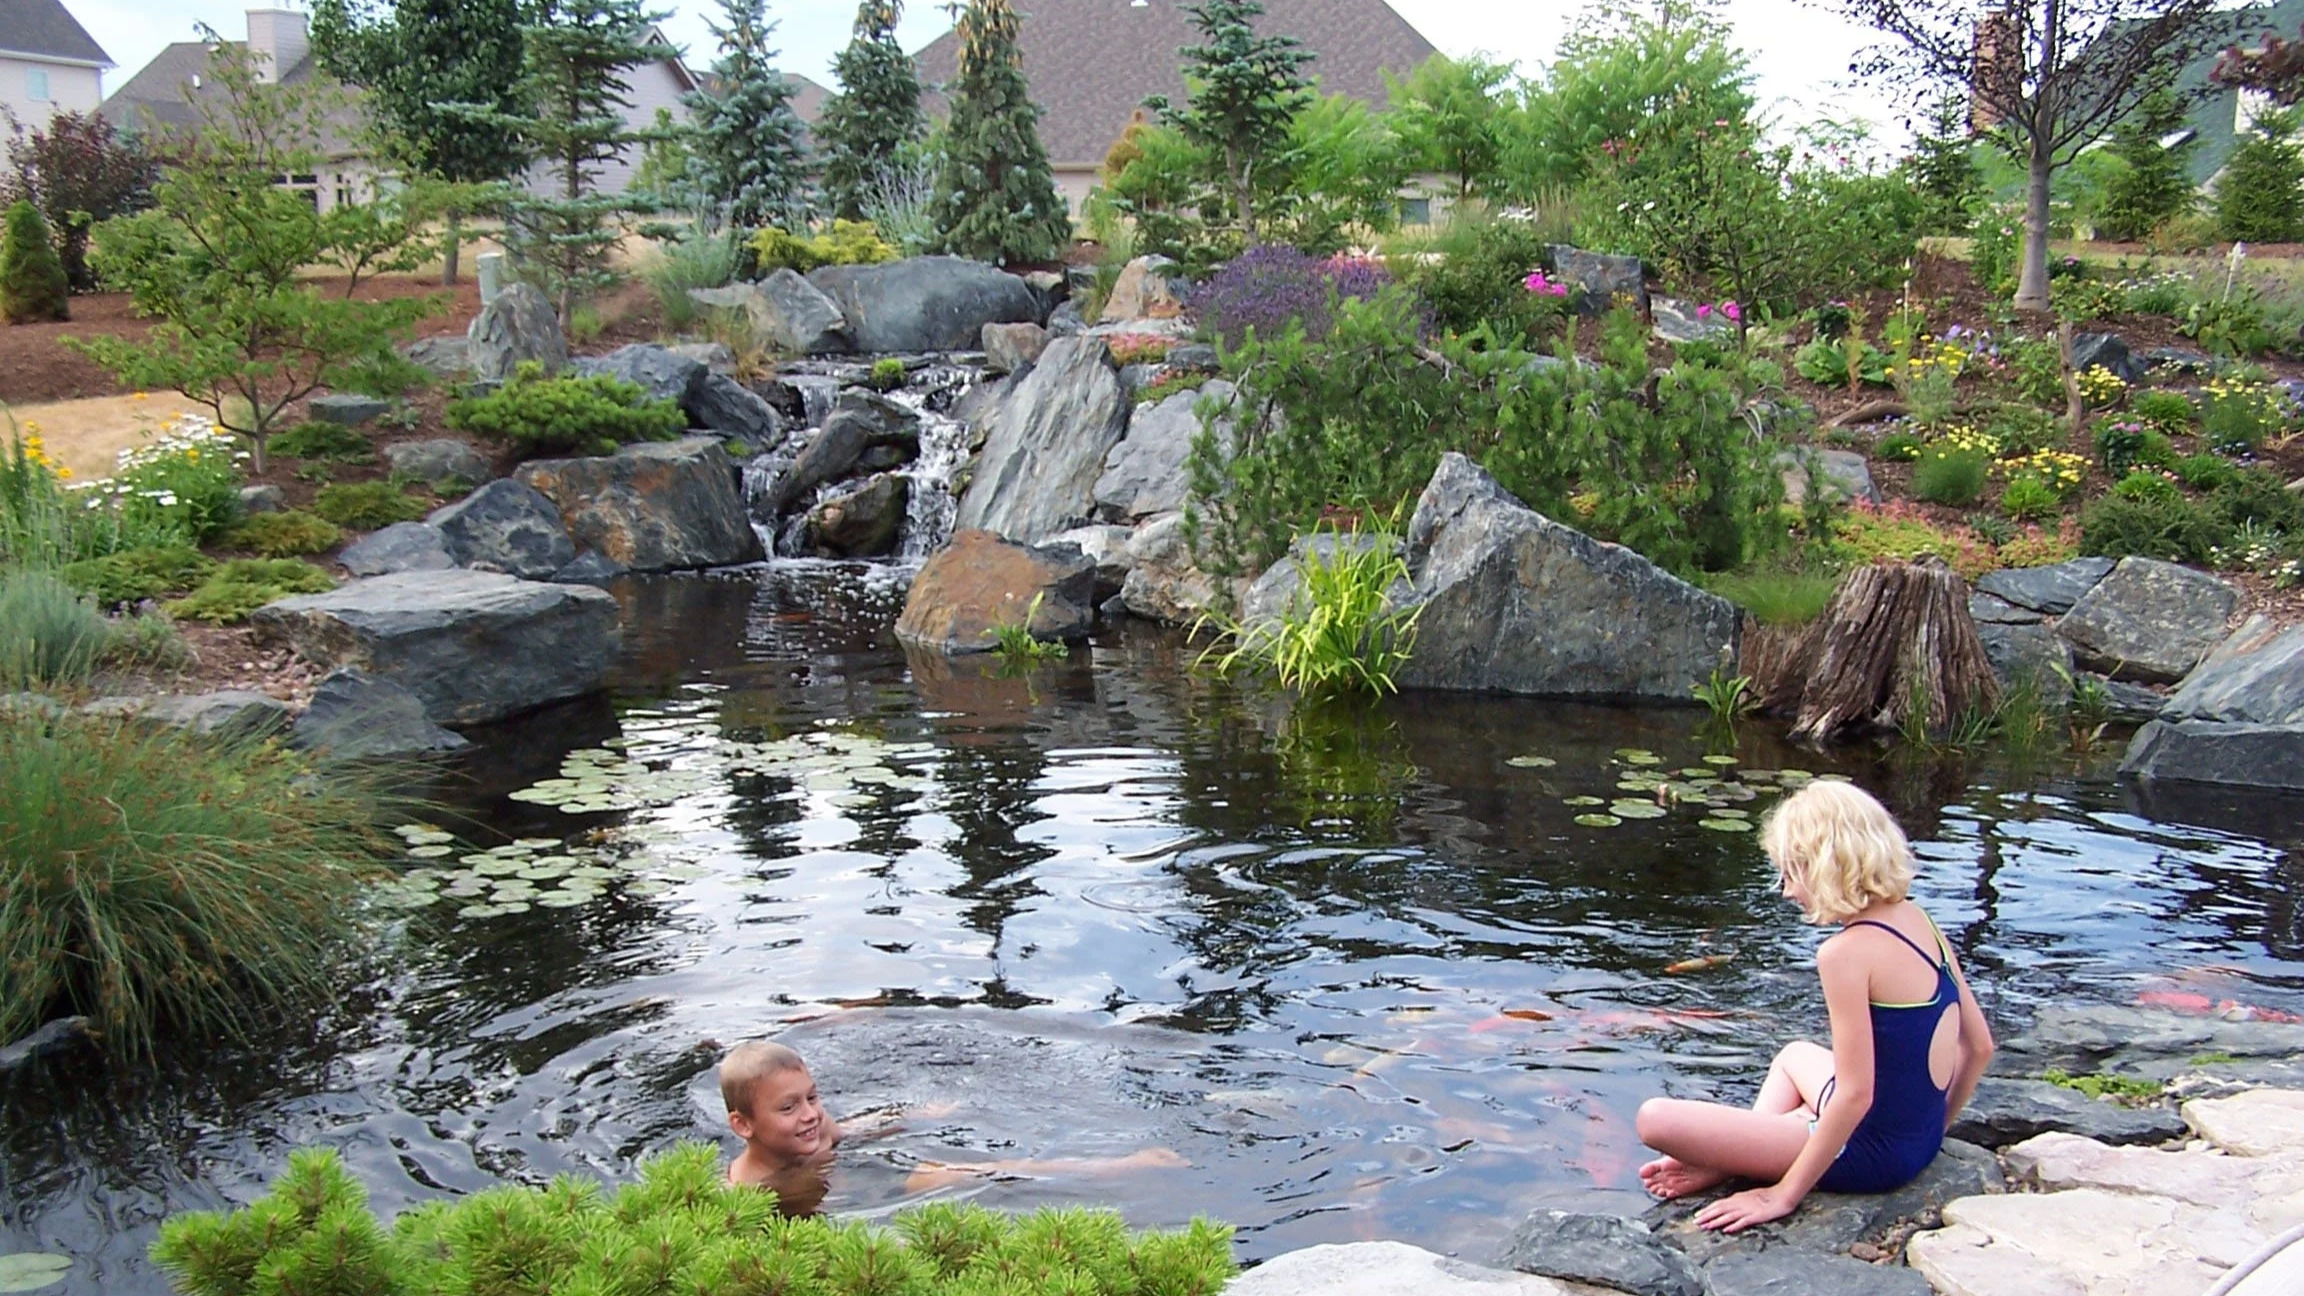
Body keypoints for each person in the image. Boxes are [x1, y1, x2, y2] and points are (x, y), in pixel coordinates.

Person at [1635, 779, 1994, 1232]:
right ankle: (1736, 1155)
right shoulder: (1919, 919)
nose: (1785, 890)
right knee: (1793, 1056)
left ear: (1825, 866)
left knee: (1655, 1119)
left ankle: (1750, 1163)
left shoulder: (1845, 953)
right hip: (1915, 1140)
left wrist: (1781, 1195)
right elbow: (1980, 1046)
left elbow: (1855, 1094)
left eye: (1790, 872)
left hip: (1869, 1153)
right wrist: (1932, 1133)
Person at [720, 1040, 840, 1215]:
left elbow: (856, 1135)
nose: (811, 1115)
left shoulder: (821, 1131)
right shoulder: (743, 1190)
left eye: (812, 1097)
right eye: (788, 1107)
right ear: (743, 1124)